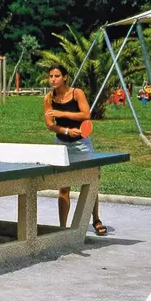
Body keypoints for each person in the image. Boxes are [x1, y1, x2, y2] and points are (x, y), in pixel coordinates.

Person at [43, 64, 107, 236]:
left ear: (65, 77)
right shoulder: (48, 99)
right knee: (63, 187)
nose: (53, 79)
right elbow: (50, 125)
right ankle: (63, 228)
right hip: (62, 144)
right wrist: (65, 131)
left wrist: (62, 114)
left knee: (89, 182)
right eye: (51, 76)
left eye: (57, 76)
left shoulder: (77, 93)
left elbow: (86, 115)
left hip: (81, 143)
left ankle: (96, 220)